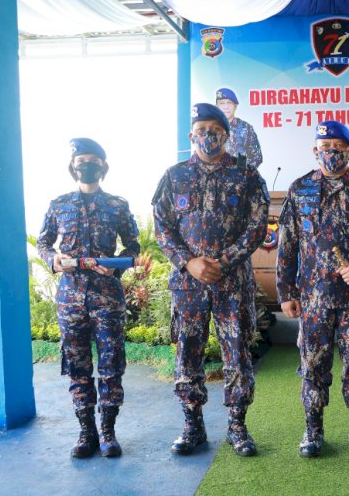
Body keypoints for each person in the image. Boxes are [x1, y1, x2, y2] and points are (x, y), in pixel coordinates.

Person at [152, 103, 269, 457]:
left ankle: (238, 426)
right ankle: (193, 426)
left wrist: (223, 261)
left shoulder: (247, 176)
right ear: (191, 136)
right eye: (201, 130)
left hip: (232, 283)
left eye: (214, 130)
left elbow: (257, 225)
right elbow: (162, 226)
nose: (207, 136)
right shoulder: (173, 177)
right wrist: (189, 262)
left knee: (237, 355)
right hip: (188, 285)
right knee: (188, 354)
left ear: (226, 135)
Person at [277, 121, 349, 459]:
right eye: (325, 146)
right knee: (313, 365)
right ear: (315, 151)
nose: (332, 151)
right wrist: (286, 293)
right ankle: (313, 431)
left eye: (338, 146)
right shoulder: (299, 189)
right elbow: (288, 245)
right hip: (313, 298)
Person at [37, 138, 140, 458]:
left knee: (111, 364)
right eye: (81, 161)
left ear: (104, 167)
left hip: (106, 296)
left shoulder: (118, 206)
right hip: (70, 298)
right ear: (72, 167)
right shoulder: (58, 205)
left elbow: (133, 248)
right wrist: (52, 260)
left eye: (93, 161)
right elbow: (43, 243)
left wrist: (117, 266)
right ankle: (86, 433)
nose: (87, 166)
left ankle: (108, 432)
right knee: (77, 366)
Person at [216, 88, 263, 168]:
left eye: (229, 103)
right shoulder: (210, 128)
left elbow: (257, 157)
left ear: (235, 106)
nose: (225, 107)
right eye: (222, 103)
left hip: (240, 177)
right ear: (216, 106)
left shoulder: (246, 128)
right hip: (216, 178)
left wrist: (242, 172)